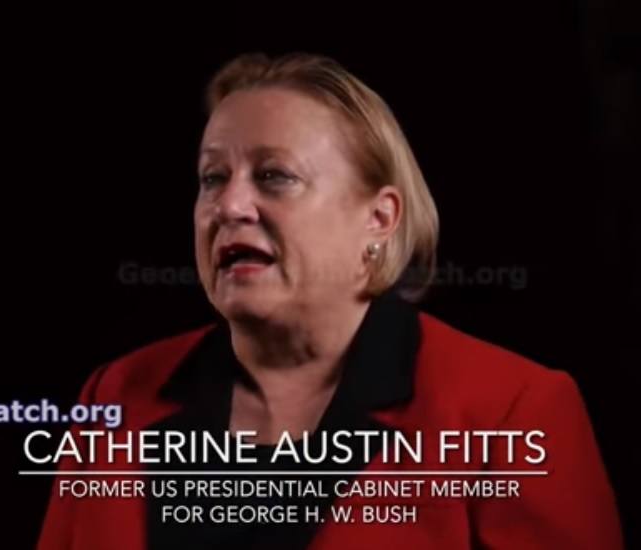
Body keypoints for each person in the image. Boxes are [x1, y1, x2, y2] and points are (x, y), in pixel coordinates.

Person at [37, 52, 622, 549]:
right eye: (212, 177)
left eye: (274, 175)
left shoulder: (512, 410)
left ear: (379, 219)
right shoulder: (113, 395)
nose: (228, 206)